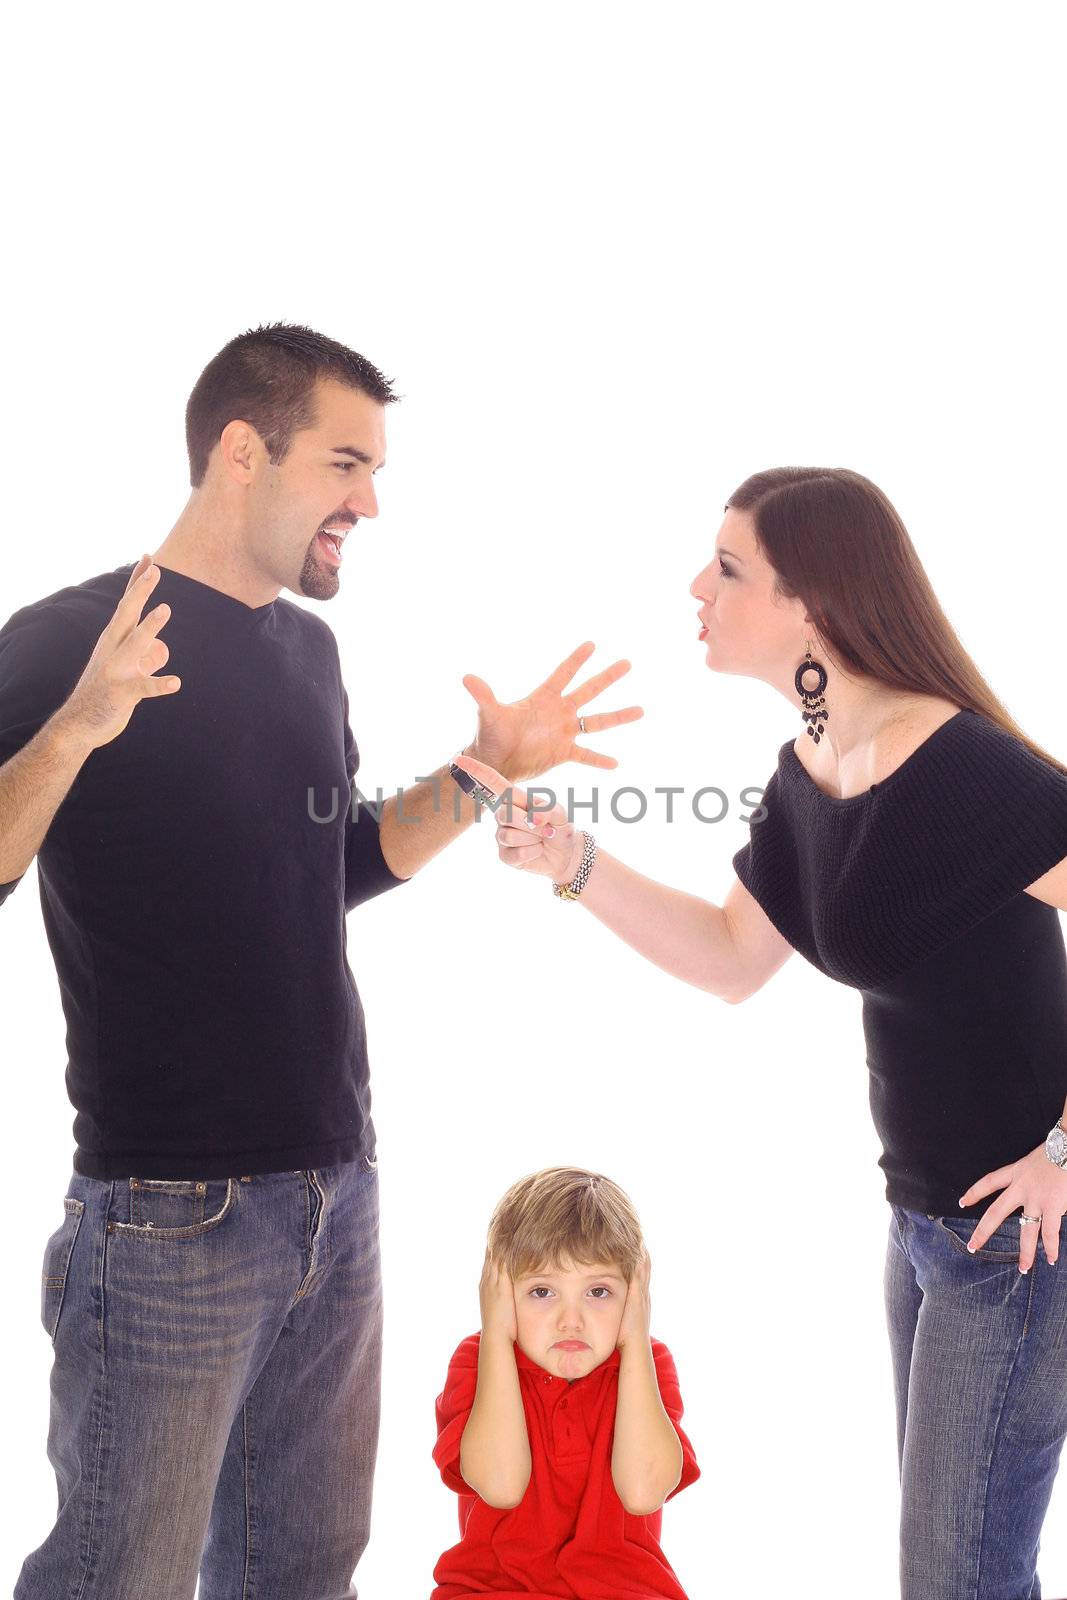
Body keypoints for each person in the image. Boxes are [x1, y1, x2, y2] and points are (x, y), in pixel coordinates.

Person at [0, 322, 643, 1600]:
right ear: (244, 451)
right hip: (169, 1216)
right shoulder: (67, 635)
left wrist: (486, 769)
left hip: (333, 1197)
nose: (370, 501)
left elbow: (335, 865)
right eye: (346, 463)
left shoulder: (309, 653)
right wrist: (77, 725)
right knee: (114, 1576)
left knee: (301, 1571)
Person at [454, 465, 1067, 1600]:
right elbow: (735, 957)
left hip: (1018, 1245)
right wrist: (572, 863)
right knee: (955, 1571)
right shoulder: (814, 767)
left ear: (812, 606)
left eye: (728, 567)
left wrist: (1062, 1151)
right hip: (928, 1228)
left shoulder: (961, 766)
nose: (696, 585)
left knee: (960, 1578)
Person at [431, 1167, 699, 1599]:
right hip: (494, 1590)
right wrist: (496, 1333)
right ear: (500, 1294)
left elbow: (643, 1490)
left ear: (632, 1296)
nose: (571, 1320)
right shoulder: (479, 1362)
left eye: (598, 1292)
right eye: (542, 1291)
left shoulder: (648, 1364)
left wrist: (635, 1340)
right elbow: (500, 1484)